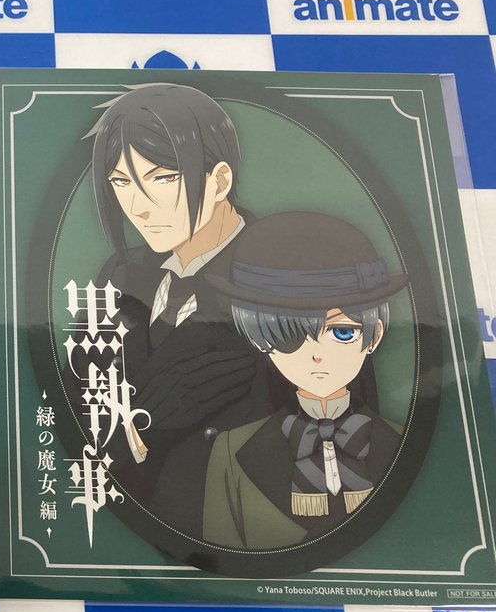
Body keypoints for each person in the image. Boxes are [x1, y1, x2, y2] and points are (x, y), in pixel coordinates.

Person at [84, 83, 272, 537]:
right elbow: (77, 405)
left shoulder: (284, 275)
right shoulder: (120, 275)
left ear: (219, 181)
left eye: (163, 178)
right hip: (122, 527)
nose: (139, 207)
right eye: (121, 182)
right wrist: (141, 426)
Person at [203, 212, 406, 549]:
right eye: (288, 336)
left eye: (342, 333)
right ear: (260, 341)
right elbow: (219, 560)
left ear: (375, 335)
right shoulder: (232, 451)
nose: (317, 356)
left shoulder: (402, 443)